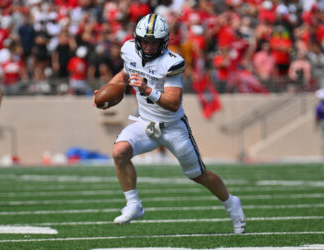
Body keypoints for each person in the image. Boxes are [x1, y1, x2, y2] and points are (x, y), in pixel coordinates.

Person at [93, 13, 246, 234]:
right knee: (119, 151)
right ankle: (134, 204)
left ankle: (232, 204)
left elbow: (173, 103)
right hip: (145, 123)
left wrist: (147, 89)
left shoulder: (172, 62)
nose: (148, 45)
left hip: (173, 127)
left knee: (198, 174)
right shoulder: (128, 50)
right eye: (144, 40)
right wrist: (105, 91)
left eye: (153, 41)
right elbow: (125, 74)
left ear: (163, 41)